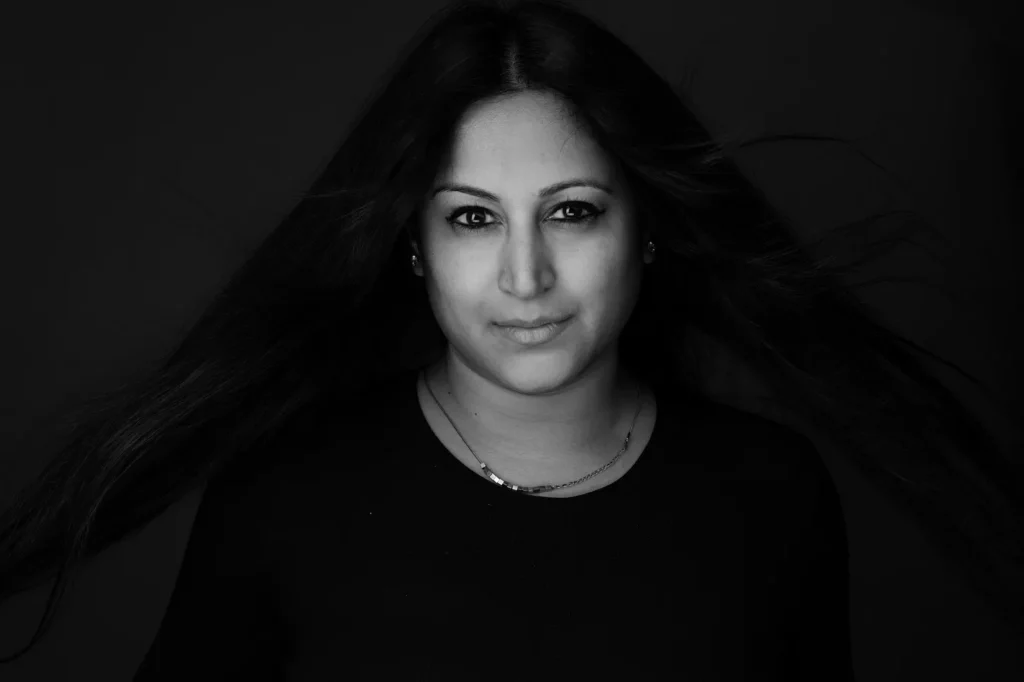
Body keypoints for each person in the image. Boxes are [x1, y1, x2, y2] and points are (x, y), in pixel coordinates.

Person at [2, 0, 1022, 679]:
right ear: (414, 245)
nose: (525, 276)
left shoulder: (772, 491)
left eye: (572, 212)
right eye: (472, 218)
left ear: (646, 227)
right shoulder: (284, 492)